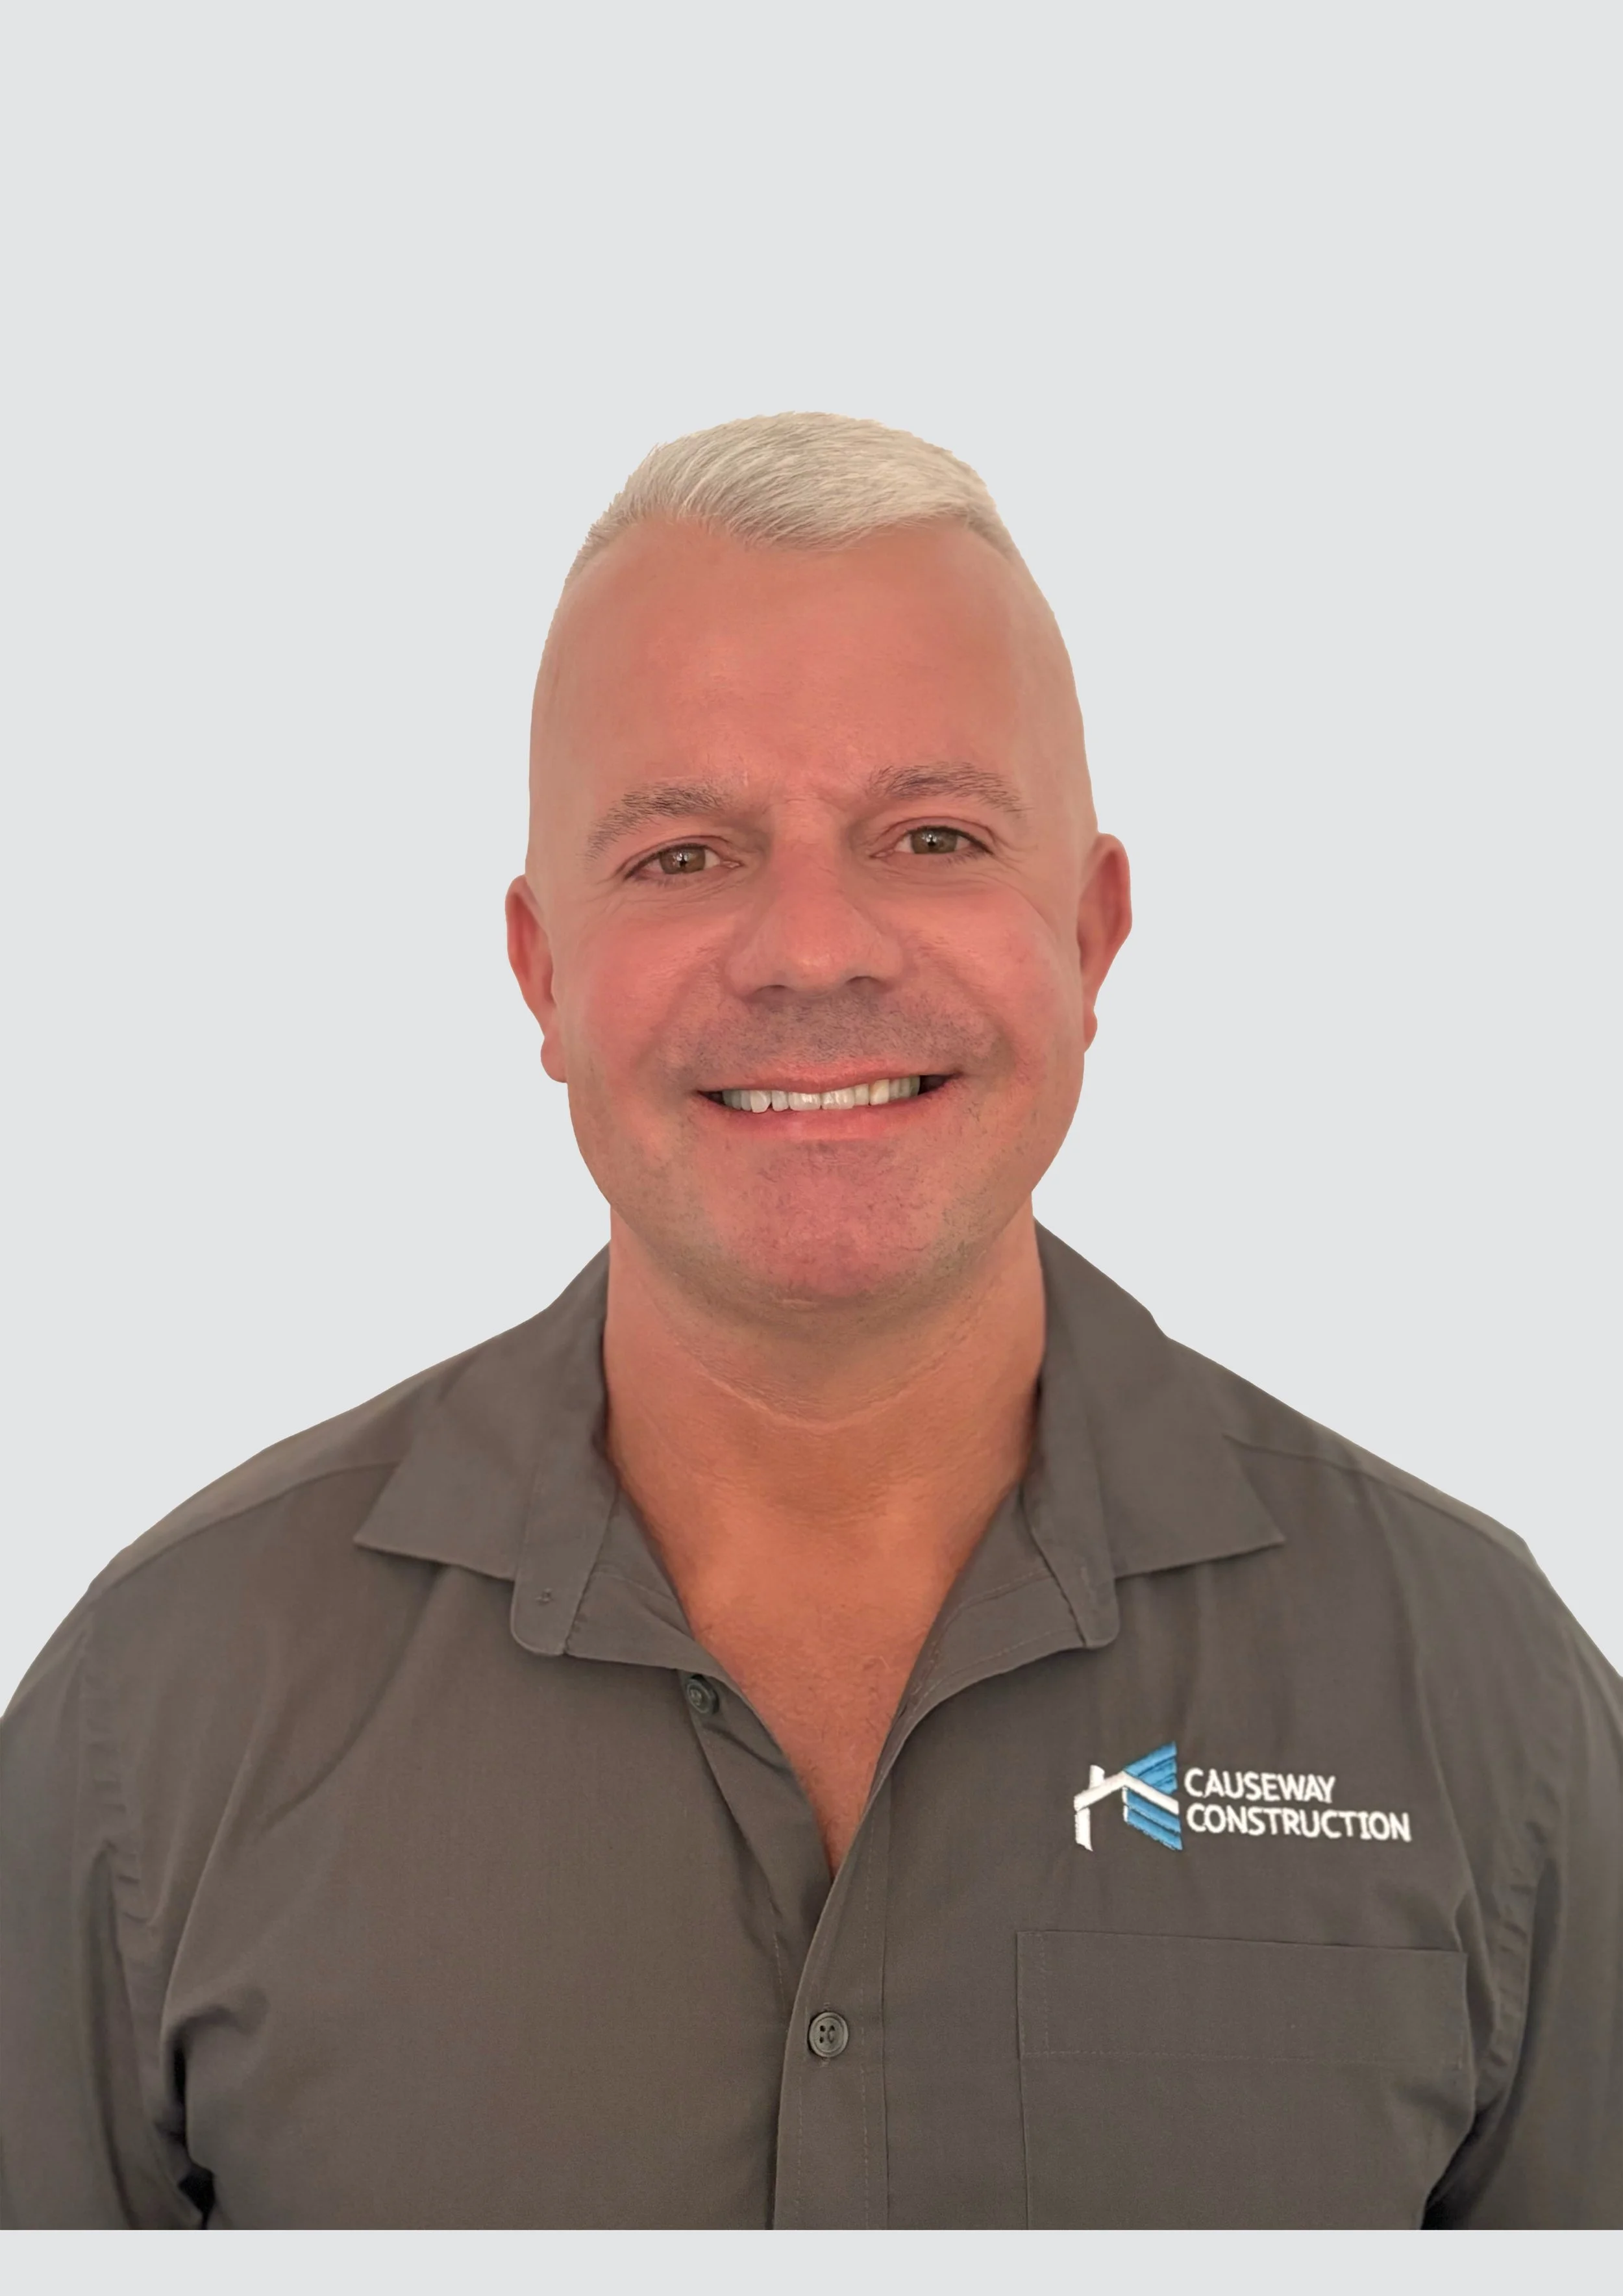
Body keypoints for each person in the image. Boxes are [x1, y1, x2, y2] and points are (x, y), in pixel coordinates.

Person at [1, 414, 1618, 2230]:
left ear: (1087, 940)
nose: (813, 950)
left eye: (928, 834)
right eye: (683, 855)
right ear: (543, 975)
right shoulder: (162, 1713)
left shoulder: (1487, 1710)